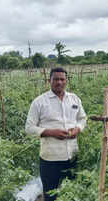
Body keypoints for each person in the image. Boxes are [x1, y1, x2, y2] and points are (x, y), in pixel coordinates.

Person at [25, 67, 87, 201]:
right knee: (51, 194)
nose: (59, 82)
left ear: (66, 81)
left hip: (72, 155)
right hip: (50, 158)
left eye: (62, 79)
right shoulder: (39, 102)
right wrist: (51, 132)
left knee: (71, 191)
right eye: (56, 79)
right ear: (49, 81)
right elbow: (29, 128)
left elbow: (82, 119)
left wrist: (77, 129)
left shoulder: (74, 99)